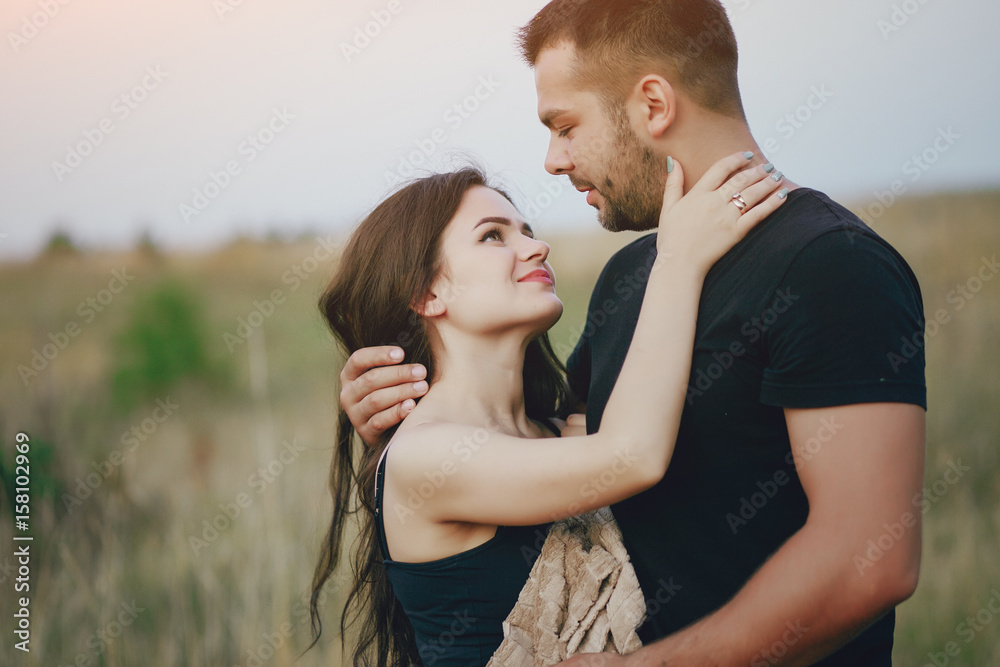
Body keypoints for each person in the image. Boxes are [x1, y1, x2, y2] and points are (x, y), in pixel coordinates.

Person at [339, 1, 928, 665]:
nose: (553, 161)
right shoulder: (631, 277)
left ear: (652, 104)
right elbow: (558, 466)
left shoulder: (831, 263)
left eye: (564, 126)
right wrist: (398, 403)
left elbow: (870, 561)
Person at [307, 154, 787, 666]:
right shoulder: (424, 457)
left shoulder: (567, 431)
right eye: (494, 236)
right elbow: (635, 454)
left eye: (528, 231)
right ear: (426, 292)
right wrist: (679, 259)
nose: (537, 247)